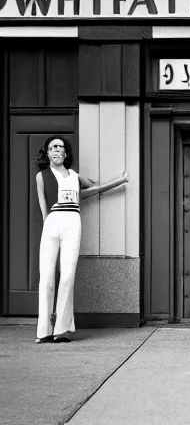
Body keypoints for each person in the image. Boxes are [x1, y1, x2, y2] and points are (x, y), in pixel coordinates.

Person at [34, 136, 129, 343]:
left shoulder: (75, 176)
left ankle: (61, 329)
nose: (57, 150)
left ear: (66, 153)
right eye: (52, 147)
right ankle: (44, 331)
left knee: (68, 276)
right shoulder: (42, 176)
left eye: (60, 147)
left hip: (72, 223)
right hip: (52, 222)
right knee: (47, 278)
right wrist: (47, 225)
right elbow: (43, 207)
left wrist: (119, 181)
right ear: (47, 153)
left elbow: (92, 188)